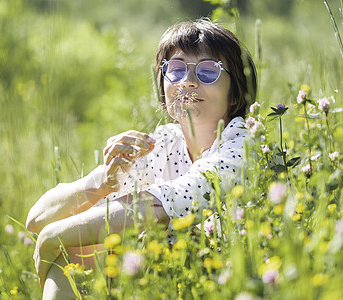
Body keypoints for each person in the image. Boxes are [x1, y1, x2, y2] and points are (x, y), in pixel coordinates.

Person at [26, 17, 257, 299]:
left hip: (228, 285)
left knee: (71, 241)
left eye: (208, 71)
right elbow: (36, 219)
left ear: (235, 94)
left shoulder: (242, 146)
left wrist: (53, 237)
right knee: (69, 255)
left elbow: (161, 207)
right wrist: (106, 182)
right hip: (164, 281)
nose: (188, 82)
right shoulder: (161, 143)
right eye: (176, 69)